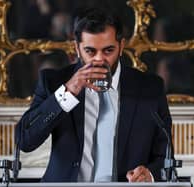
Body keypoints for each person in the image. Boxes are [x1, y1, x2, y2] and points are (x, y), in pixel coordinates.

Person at [15, 8, 172, 182]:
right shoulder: (53, 82)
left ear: (121, 47)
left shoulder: (150, 87)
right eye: (90, 51)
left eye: (108, 51)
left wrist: (149, 174)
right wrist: (68, 91)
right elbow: (25, 140)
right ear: (77, 48)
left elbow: (165, 157)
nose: (99, 60)